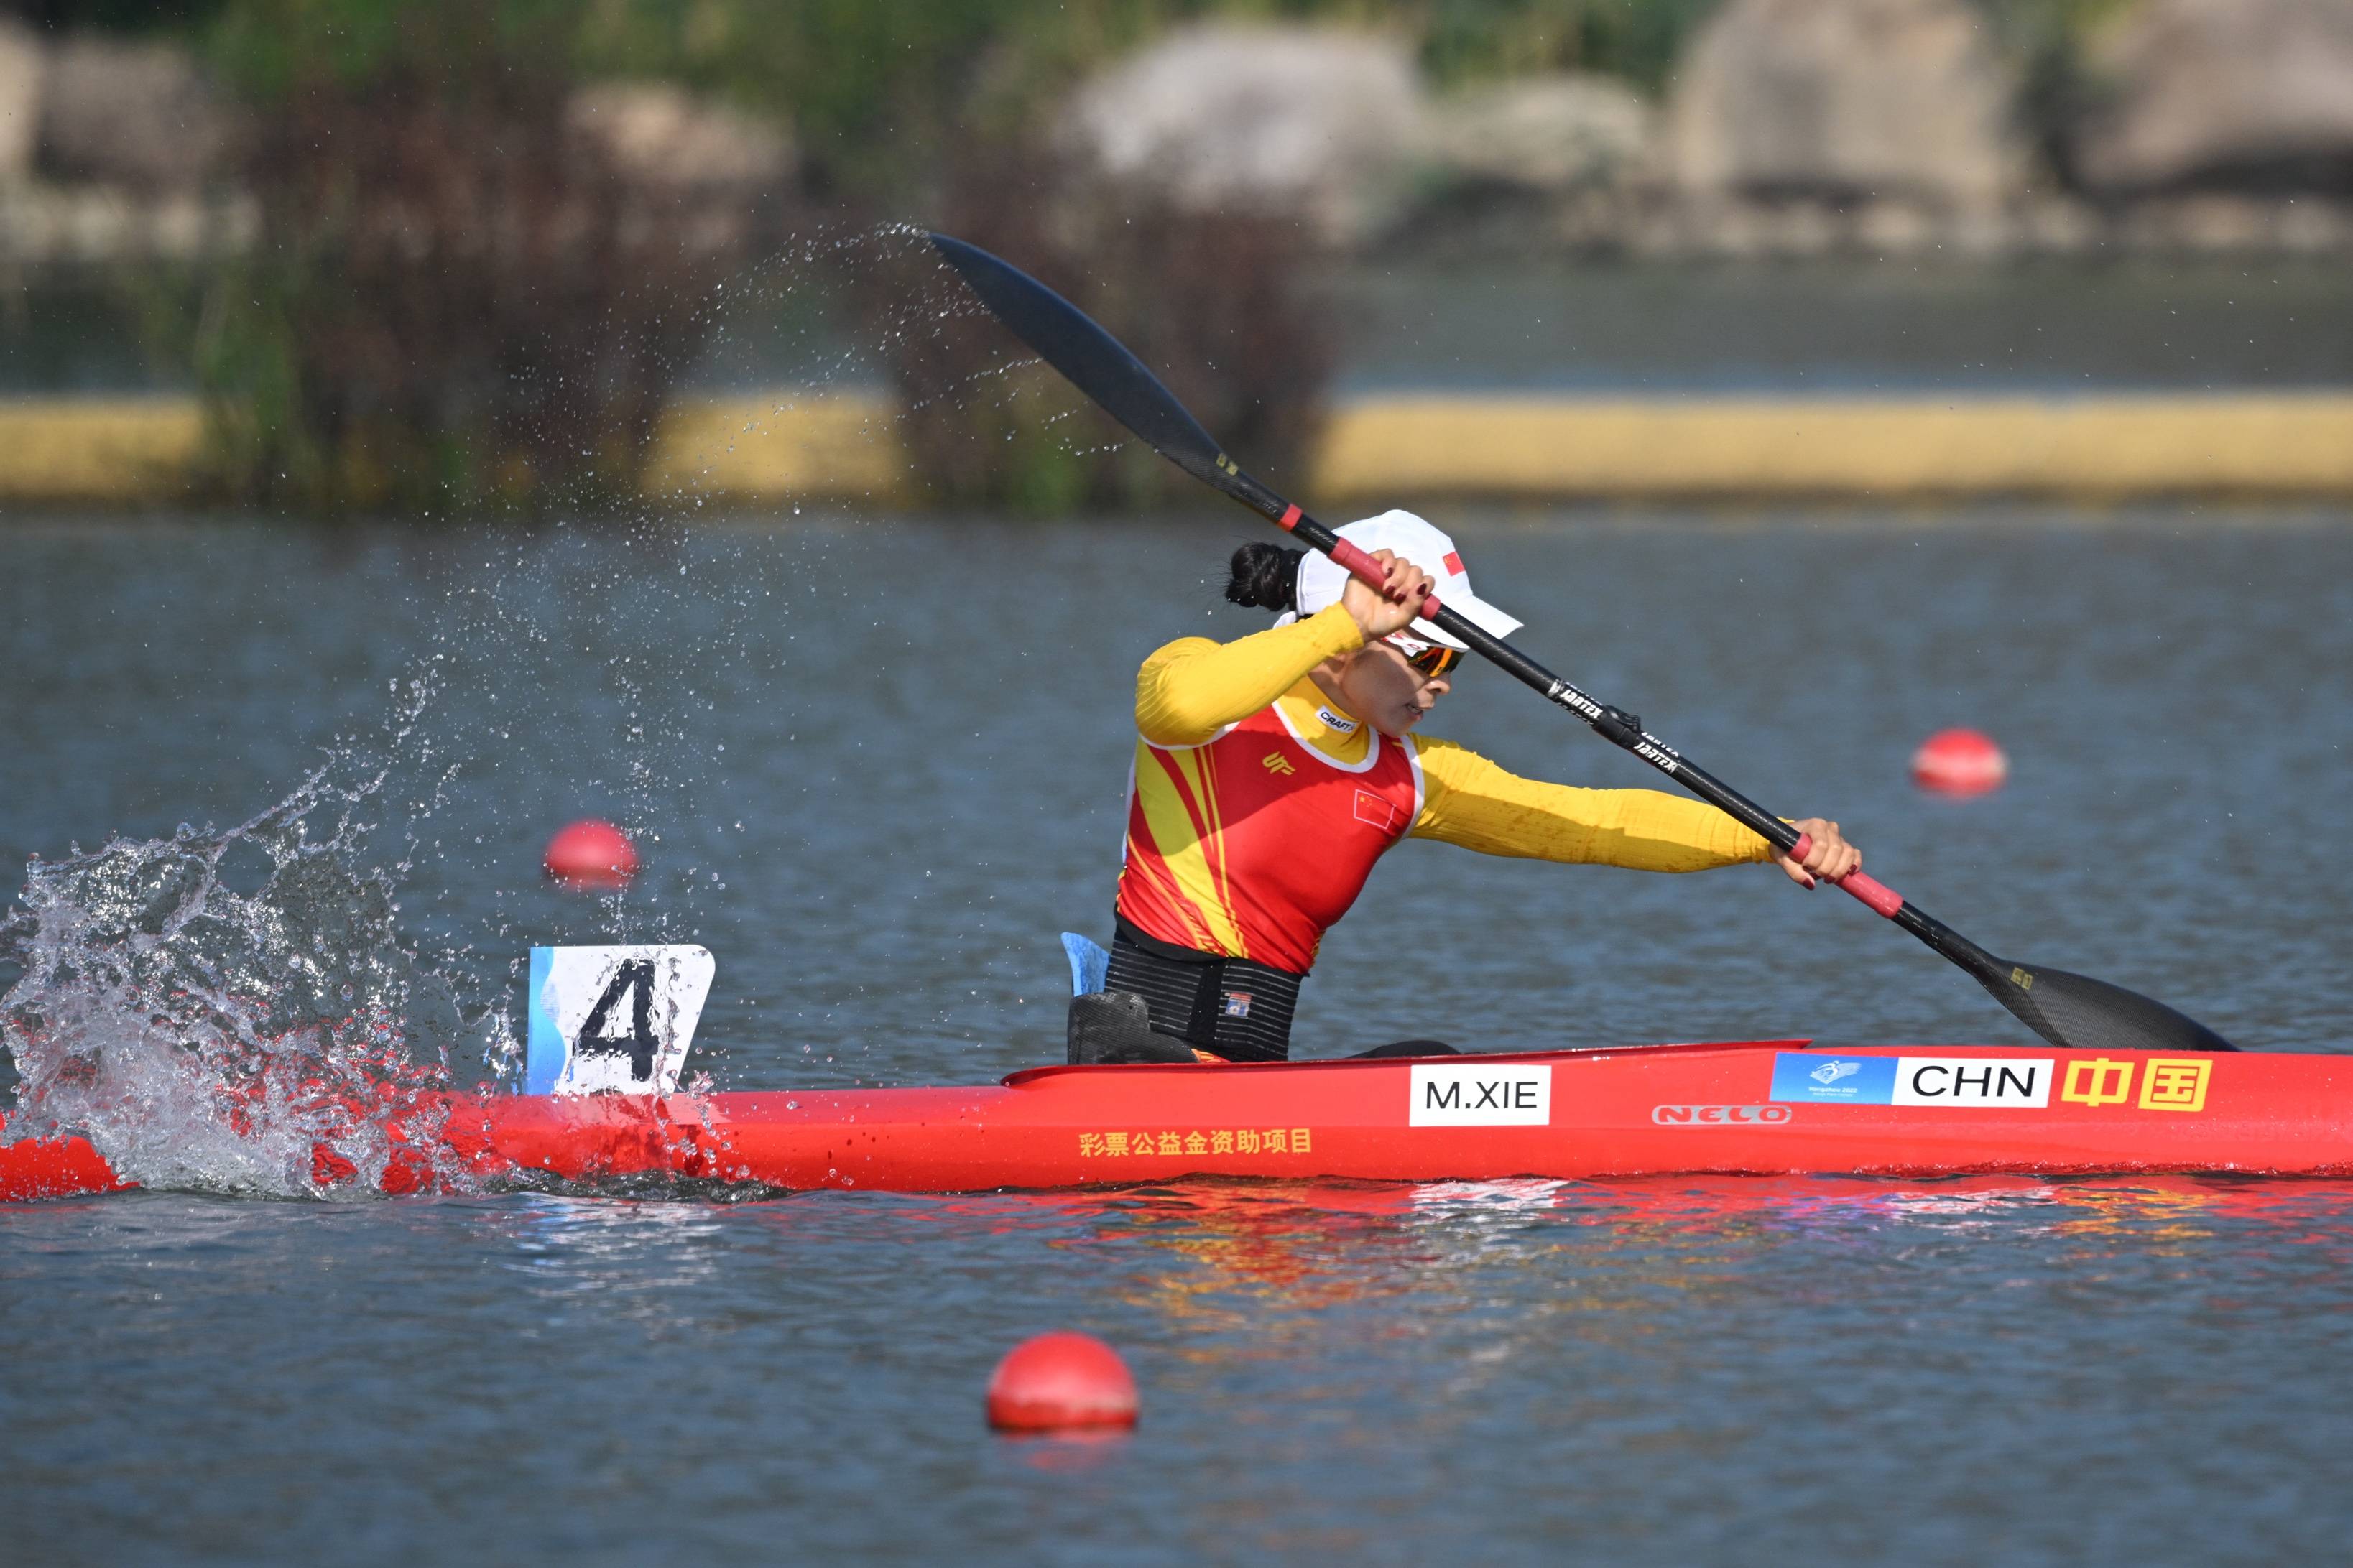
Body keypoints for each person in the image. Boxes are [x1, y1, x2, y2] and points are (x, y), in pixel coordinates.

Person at [1067, 509, 1862, 1065]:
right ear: (1347, 644)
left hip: (1247, 1091)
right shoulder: (1201, 691)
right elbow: (1176, 706)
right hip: (1143, 1068)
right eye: (1430, 658)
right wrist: (1344, 619)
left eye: (1456, 663)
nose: (1442, 685)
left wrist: (1766, 835)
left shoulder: (1410, 775)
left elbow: (1591, 820)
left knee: (1437, 1069)